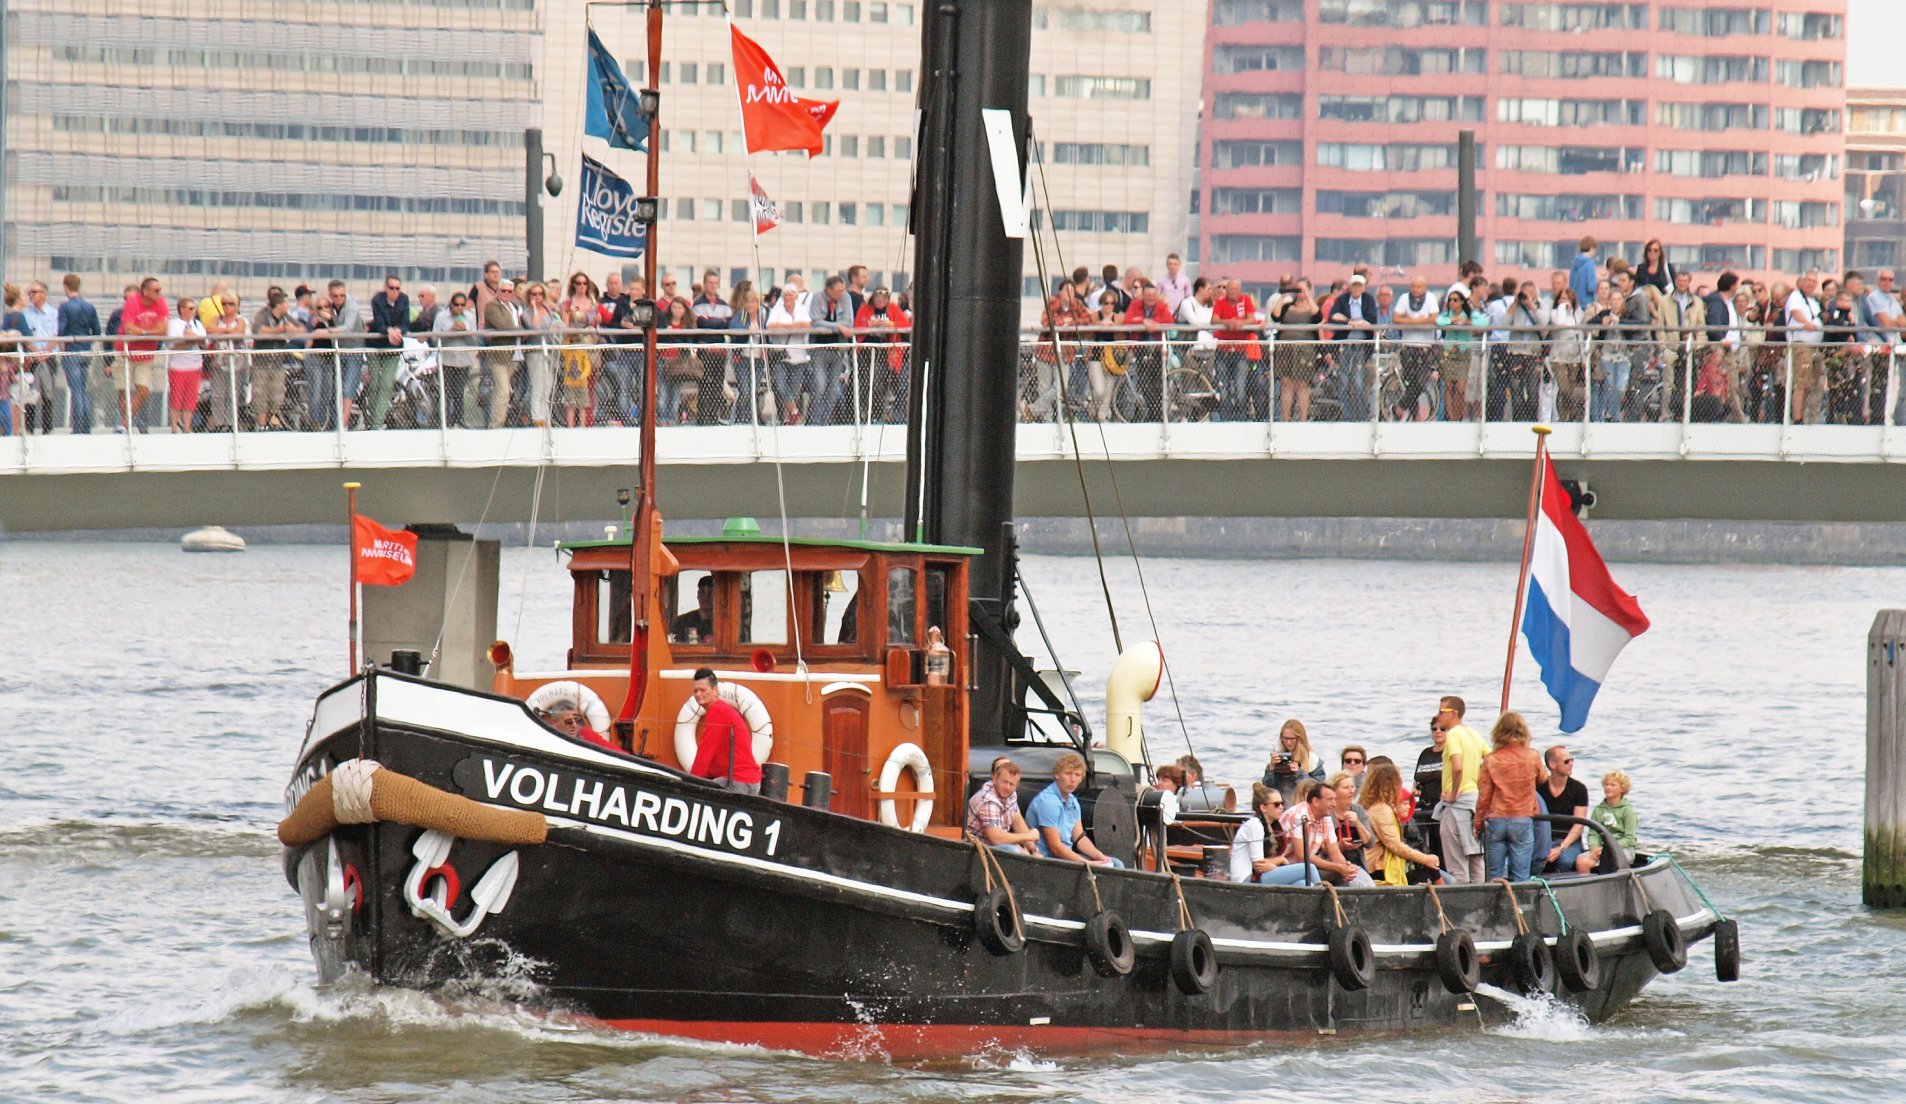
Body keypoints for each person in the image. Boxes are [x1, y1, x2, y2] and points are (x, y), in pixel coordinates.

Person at [1475, 711, 1548, 882]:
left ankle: (1495, 907)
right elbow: (1543, 778)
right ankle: (1519, 906)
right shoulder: (1532, 756)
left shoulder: (1491, 760)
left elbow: (1484, 797)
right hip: (1522, 817)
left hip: (1496, 819)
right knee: (1521, 874)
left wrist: (1478, 823)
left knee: (1494, 874)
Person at [1023, 751, 1121, 866]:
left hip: (1065, 857)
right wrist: (1086, 863)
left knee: (1115, 863)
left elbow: (1079, 838)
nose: (1073, 779)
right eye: (1068, 773)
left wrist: (1099, 856)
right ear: (1057, 775)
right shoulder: (1048, 802)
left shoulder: (1073, 801)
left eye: (1077, 775)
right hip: (1047, 859)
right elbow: (1055, 847)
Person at [1269, 780, 1373, 886]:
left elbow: (1335, 853)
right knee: (1304, 883)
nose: (1334, 804)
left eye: (1335, 800)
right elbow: (1302, 856)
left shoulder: (1326, 818)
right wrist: (1338, 867)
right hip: (1282, 866)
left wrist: (1346, 866)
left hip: (1307, 867)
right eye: (1330, 800)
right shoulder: (1298, 815)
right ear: (1316, 801)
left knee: (1358, 878)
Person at [1432, 696, 1487, 883]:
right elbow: (1491, 760)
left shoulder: (1453, 735)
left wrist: (1454, 793)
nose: (1438, 716)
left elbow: (1457, 766)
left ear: (1454, 714)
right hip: (1474, 801)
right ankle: (1481, 902)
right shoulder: (1474, 734)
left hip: (1458, 803)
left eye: (1441, 712)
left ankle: (1460, 906)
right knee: (1476, 860)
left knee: (1457, 864)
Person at [1360, 760, 1440, 885]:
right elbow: (1395, 845)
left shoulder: (1373, 806)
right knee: (1430, 870)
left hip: (1379, 863)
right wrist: (1425, 859)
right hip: (1380, 867)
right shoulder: (1381, 809)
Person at [686, 668, 761, 794]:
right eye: (695, 690)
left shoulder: (717, 711)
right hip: (747, 780)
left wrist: (689, 782)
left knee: (702, 795)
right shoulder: (722, 710)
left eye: (703, 690)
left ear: (715, 690)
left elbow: (706, 749)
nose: (698, 694)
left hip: (738, 780)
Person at [1536, 744, 1592, 874]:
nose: (1571, 764)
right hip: (1545, 838)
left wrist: (1561, 848)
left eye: (1572, 760)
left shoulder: (1579, 789)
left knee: (1565, 861)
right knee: (1537, 858)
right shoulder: (1539, 788)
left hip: (1569, 841)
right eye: (1566, 761)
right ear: (1552, 764)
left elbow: (1579, 825)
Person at [965, 757, 1040, 853]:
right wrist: (1028, 836)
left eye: (1011, 784)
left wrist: (1033, 851)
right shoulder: (988, 800)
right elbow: (996, 838)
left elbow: (1018, 823)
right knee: (1014, 851)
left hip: (993, 847)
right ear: (995, 778)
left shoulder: (1011, 795)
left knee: (1024, 852)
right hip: (974, 849)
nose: (1007, 787)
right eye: (1004, 782)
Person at [1228, 782, 1292, 883]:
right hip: (1247, 878)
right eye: (1276, 804)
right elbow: (1259, 865)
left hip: (1266, 874)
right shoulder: (1255, 825)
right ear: (1263, 808)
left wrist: (1276, 864)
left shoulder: (1273, 826)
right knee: (1309, 868)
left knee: (1302, 883)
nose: (1281, 807)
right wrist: (1281, 860)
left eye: (1282, 803)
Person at [1580, 769, 1639, 872]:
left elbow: (1629, 839)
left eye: (1612, 785)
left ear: (1622, 789)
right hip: (1601, 849)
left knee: (1611, 861)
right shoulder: (1599, 810)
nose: (1608, 787)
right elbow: (1593, 833)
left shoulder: (1627, 811)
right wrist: (1594, 847)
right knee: (1582, 861)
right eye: (1606, 784)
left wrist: (1609, 848)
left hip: (1622, 849)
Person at [163, 296, 207, 434]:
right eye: (190, 308)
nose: (193, 311)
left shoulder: (197, 325)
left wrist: (192, 336)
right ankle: (175, 426)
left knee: (191, 397)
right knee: (176, 397)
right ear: (182, 309)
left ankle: (187, 426)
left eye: (194, 308)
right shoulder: (174, 324)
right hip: (178, 366)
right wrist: (190, 340)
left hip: (195, 365)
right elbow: (174, 344)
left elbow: (204, 341)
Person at [1263, 718, 1326, 801]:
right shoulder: (1280, 758)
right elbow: (1269, 788)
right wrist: (1271, 769)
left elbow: (1319, 790)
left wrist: (1299, 773)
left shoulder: (1312, 760)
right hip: (1282, 804)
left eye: (1292, 739)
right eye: (1285, 738)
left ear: (1300, 739)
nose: (1288, 742)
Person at [537, 697, 618, 752]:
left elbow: (617, 753)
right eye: (568, 722)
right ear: (554, 723)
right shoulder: (547, 742)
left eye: (577, 721)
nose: (575, 725)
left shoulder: (586, 735)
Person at [1329, 771, 1371, 871]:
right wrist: (1340, 846)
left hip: (1357, 862)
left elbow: (1370, 843)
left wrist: (1357, 823)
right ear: (1334, 791)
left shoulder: (1358, 810)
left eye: (1352, 787)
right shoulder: (1328, 812)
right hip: (1331, 864)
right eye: (1346, 788)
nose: (1351, 791)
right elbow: (1321, 848)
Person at [671, 575, 715, 643]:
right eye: (702, 592)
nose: (706, 598)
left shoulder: (724, 623)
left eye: (710, 593)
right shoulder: (682, 622)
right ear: (697, 595)